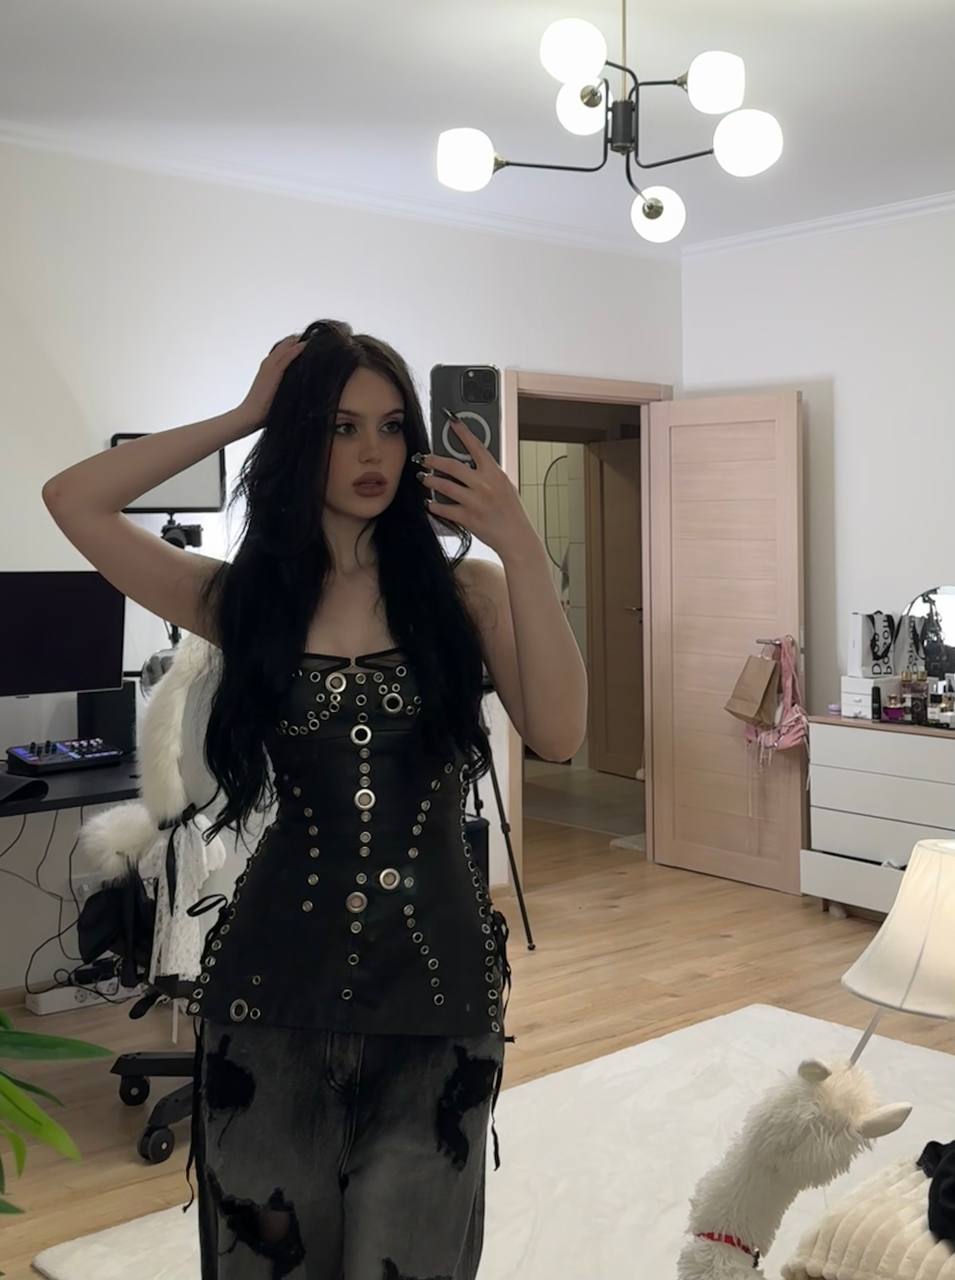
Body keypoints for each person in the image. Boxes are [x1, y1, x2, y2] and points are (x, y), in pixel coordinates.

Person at [42, 319, 588, 1279]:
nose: (372, 452)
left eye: (390, 426)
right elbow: (73, 500)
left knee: (411, 1260)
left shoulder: (466, 593)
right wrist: (245, 413)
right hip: (268, 993)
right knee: (268, 1261)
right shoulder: (242, 599)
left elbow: (560, 733)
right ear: (301, 438)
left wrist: (518, 540)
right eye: (340, 427)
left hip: (438, 992)